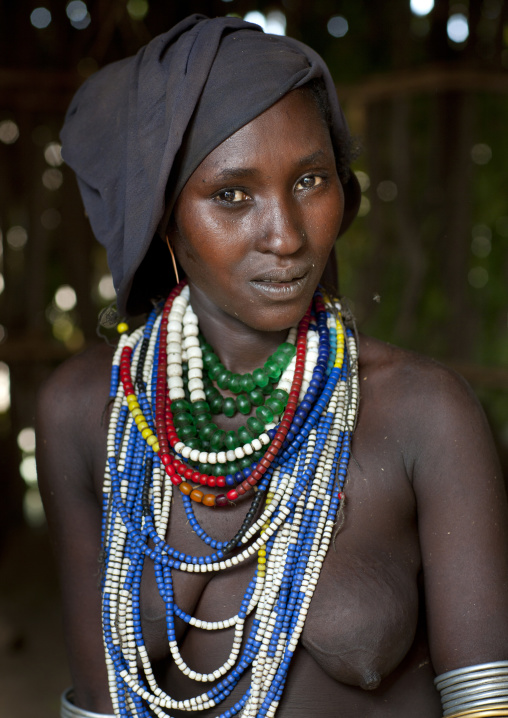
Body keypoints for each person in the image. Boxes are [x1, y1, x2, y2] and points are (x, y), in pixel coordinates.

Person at [36, 14, 508, 718]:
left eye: (311, 180)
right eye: (232, 195)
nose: (286, 235)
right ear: (164, 217)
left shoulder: (423, 413)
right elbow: (100, 705)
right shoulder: (86, 412)